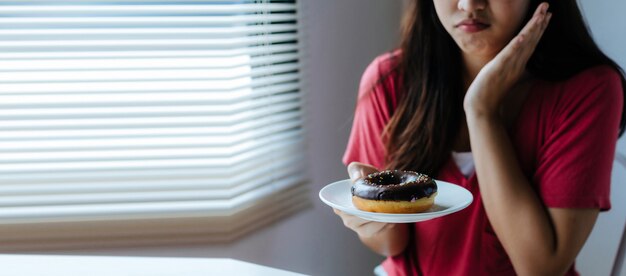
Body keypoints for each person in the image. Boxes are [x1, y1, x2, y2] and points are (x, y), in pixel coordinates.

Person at [333, 0, 626, 275]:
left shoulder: (590, 90)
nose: (469, 4)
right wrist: (370, 221)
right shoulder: (389, 79)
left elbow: (541, 268)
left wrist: (481, 111)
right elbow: (392, 245)